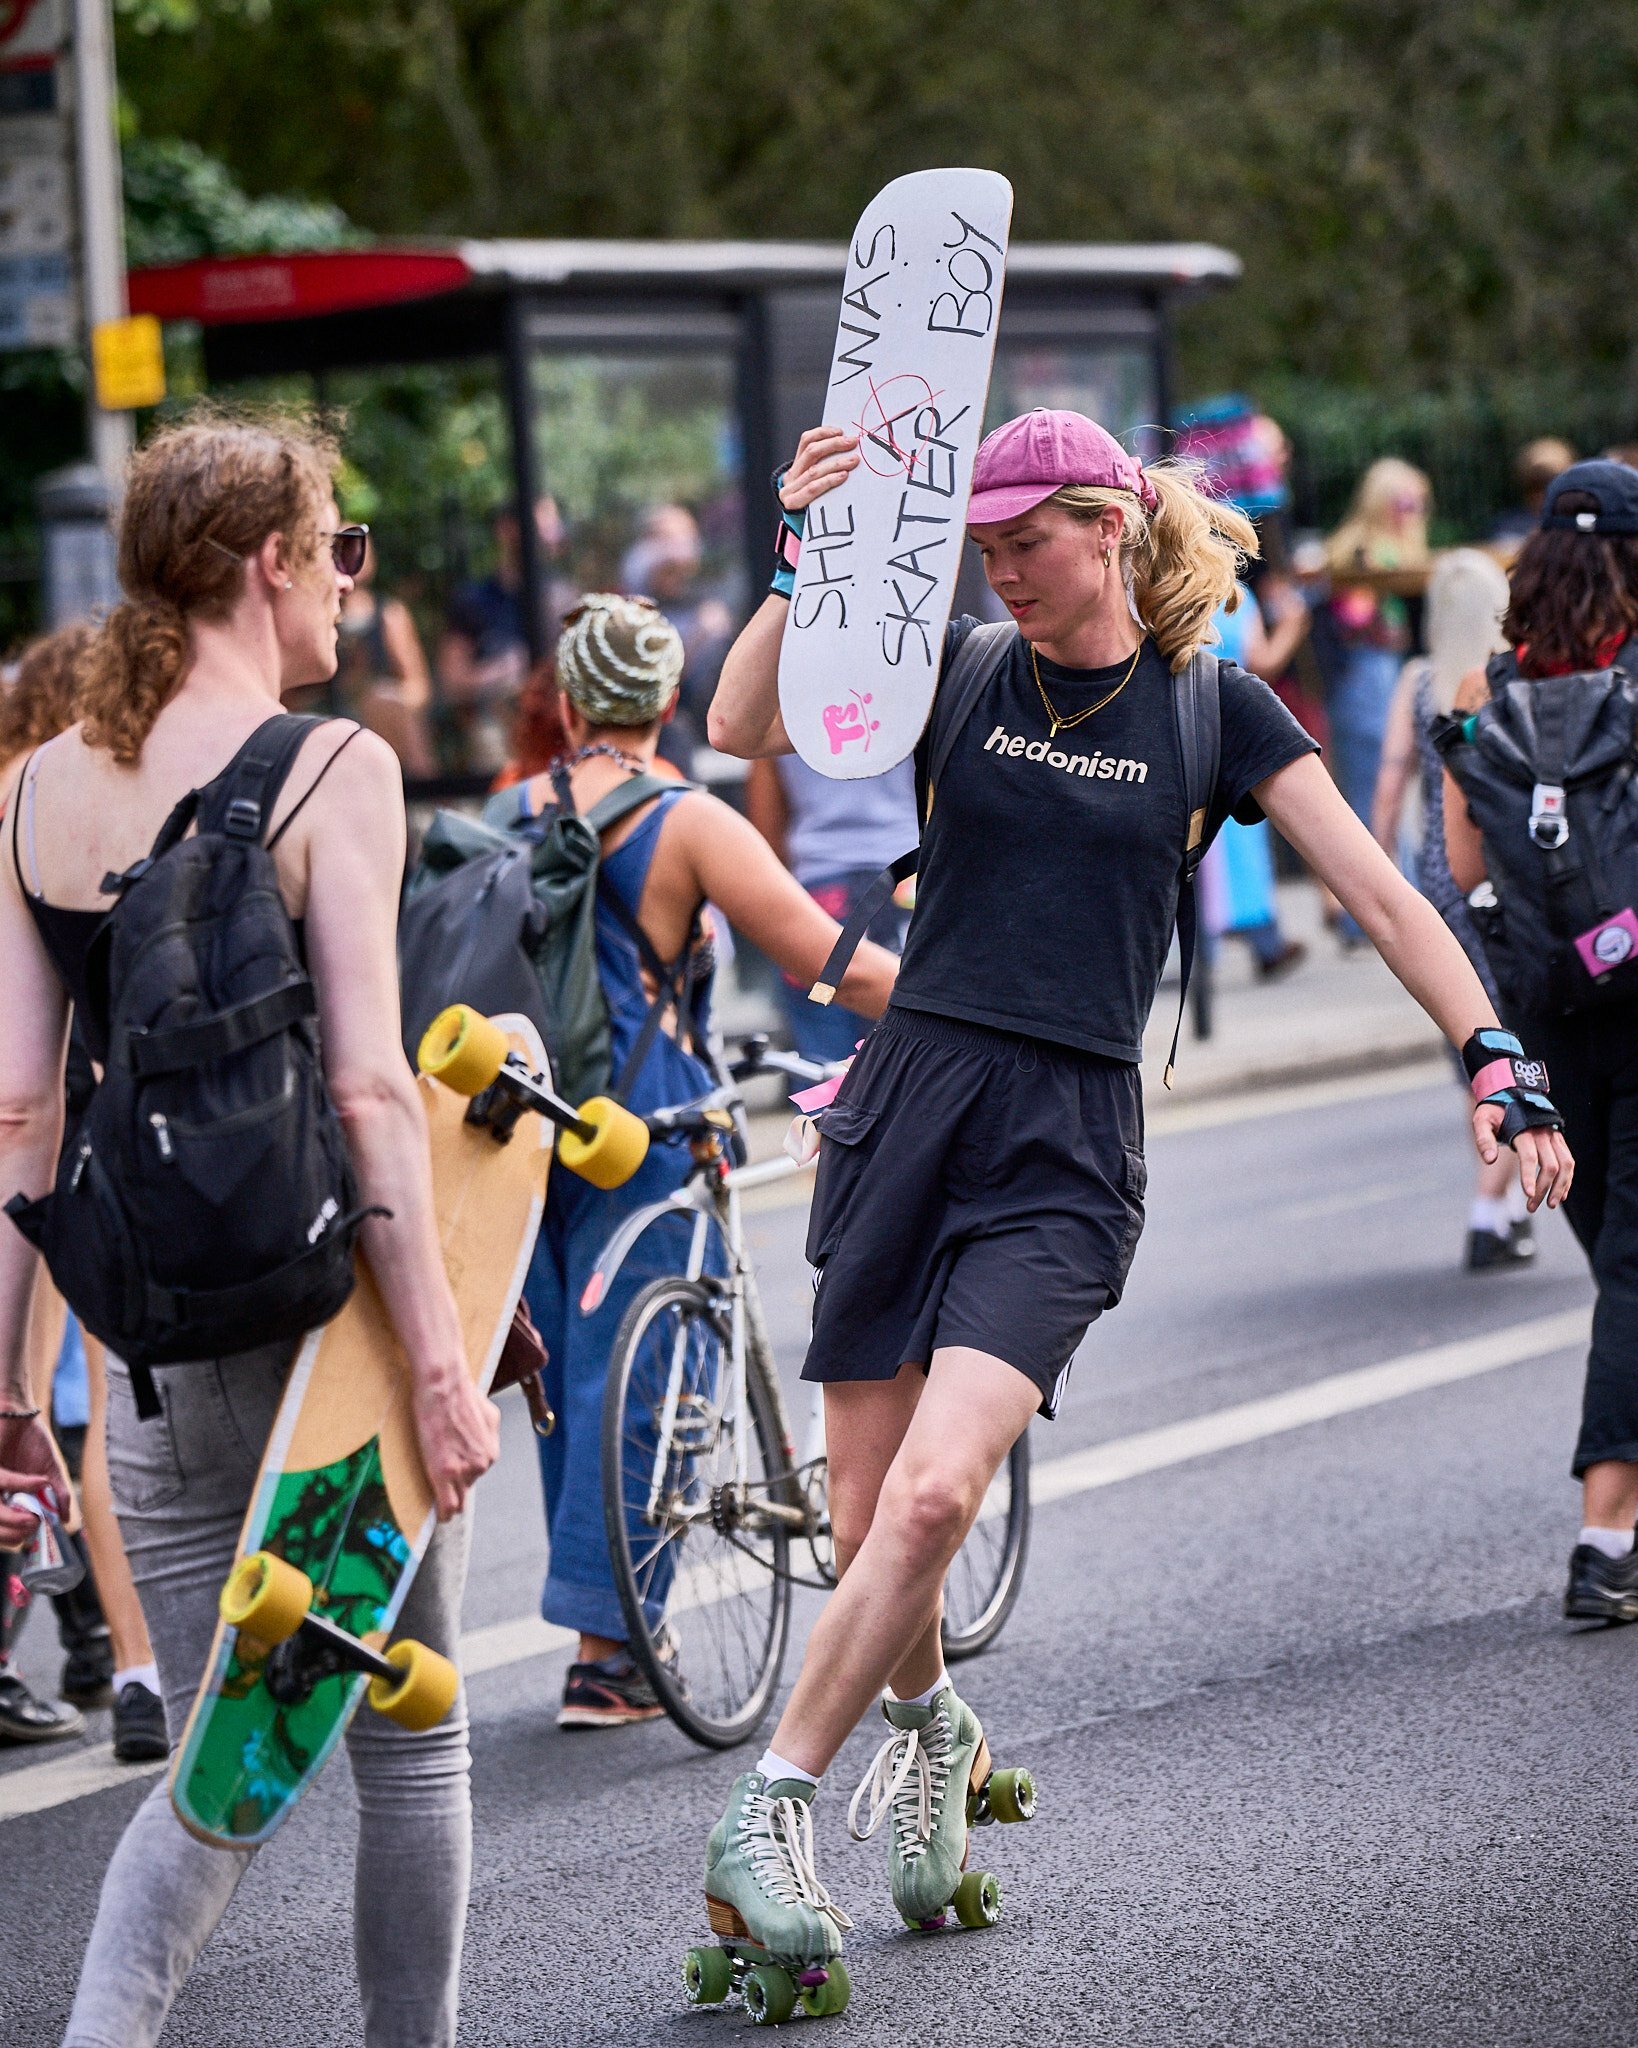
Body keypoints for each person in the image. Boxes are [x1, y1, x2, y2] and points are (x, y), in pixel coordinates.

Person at [700, 407, 1572, 1986]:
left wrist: (1490, 1050)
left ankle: (770, 1807)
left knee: (929, 1499)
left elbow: (1376, 890)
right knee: (862, 1524)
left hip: (1065, 1140)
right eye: (982, 550)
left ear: (1107, 524)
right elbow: (742, 722)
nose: (1004, 573)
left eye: (1027, 543)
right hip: (909, 1103)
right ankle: (930, 1725)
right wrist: (800, 557)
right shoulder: (953, 667)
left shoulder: (1208, 707)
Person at [0, 412, 498, 2048]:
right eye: (340, 547)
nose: (352, 585)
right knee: (402, 1738)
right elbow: (367, 1090)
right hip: (324, 1335)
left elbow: (20, 1114)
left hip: (143, 1358)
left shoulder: (32, 788)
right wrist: (436, 1359)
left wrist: (10, 1389)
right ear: (272, 563)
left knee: (223, 1750)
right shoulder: (332, 766)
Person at [503, 594, 896, 1729]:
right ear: (671, 700)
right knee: (651, 1376)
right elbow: (822, 959)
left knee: (570, 1373)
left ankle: (606, 1614)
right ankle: (609, 1654)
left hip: (527, 1123)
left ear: (569, 698)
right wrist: (948, 998)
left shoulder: (509, 811)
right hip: (647, 1117)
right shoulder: (682, 818)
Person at [1440, 460, 1638, 1622]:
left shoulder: (1483, 684)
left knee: (1618, 1257)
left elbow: (1465, 874)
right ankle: (1606, 1539)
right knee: (1634, 1272)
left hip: (1547, 1015)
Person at [0, 624, 168, 1759]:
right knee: (108, 1398)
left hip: (24, 1113)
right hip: (71, 1103)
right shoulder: (76, 788)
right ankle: (146, 1655)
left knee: (42, 1389)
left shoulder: (10, 797)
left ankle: (135, 1662)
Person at [1373, 548, 1534, 1270]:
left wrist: (1372, 870)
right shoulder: (1507, 681)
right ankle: (1489, 1211)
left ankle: (1498, 1210)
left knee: (1472, 1046)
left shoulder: (1417, 681)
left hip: (1436, 888)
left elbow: (1387, 780)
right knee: (1514, 1044)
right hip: (1501, 882)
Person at [1315, 461, 1433, 944]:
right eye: (1404, 502)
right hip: (1366, 681)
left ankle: (1380, 912)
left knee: (1377, 799)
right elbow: (1357, 614)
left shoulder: (1372, 550)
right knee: (1373, 800)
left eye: (1417, 504)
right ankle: (1380, 914)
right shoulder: (1368, 552)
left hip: (1374, 680)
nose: (1413, 513)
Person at [745, 750, 917, 1060]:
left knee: (823, 1068)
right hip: (908, 884)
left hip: (819, 894)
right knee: (918, 1051)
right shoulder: (922, 702)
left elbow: (765, 829)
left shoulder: (782, 709)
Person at [1490, 437, 1576, 558]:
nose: (1542, 493)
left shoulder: (1579, 524)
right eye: (1535, 484)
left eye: (1550, 482)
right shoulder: (1509, 527)